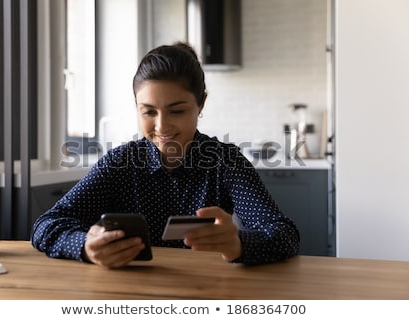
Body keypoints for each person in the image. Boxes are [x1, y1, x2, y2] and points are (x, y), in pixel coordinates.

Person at [31, 42, 299, 268]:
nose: (161, 127)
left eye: (177, 111)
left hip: (204, 294)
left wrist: (239, 244)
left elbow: (285, 234)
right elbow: (46, 224)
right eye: (148, 112)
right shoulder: (119, 163)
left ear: (200, 104)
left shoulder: (225, 161)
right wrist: (86, 247)